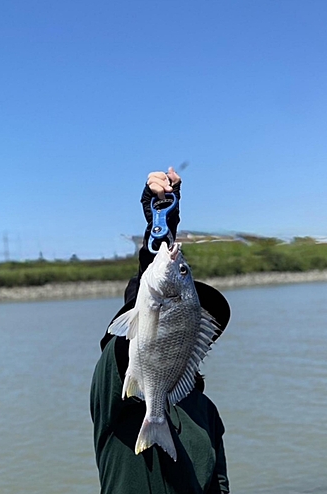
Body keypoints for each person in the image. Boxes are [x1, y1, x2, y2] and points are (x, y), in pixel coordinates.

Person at [90, 168, 231, 494]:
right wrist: (163, 215)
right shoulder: (119, 397)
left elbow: (219, 486)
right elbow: (146, 302)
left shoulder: (206, 412)